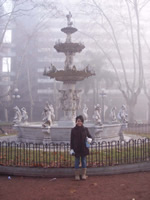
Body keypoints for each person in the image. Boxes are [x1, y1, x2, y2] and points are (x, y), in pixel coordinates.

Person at [70, 115, 92, 181]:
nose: (79, 122)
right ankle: (77, 175)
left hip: (83, 148)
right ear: (76, 122)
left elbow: (90, 137)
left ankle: (83, 174)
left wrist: (87, 144)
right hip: (76, 148)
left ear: (82, 122)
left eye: (80, 121)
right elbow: (71, 140)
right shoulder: (73, 130)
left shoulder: (85, 129)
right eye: (78, 121)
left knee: (84, 161)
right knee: (76, 161)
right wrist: (71, 149)